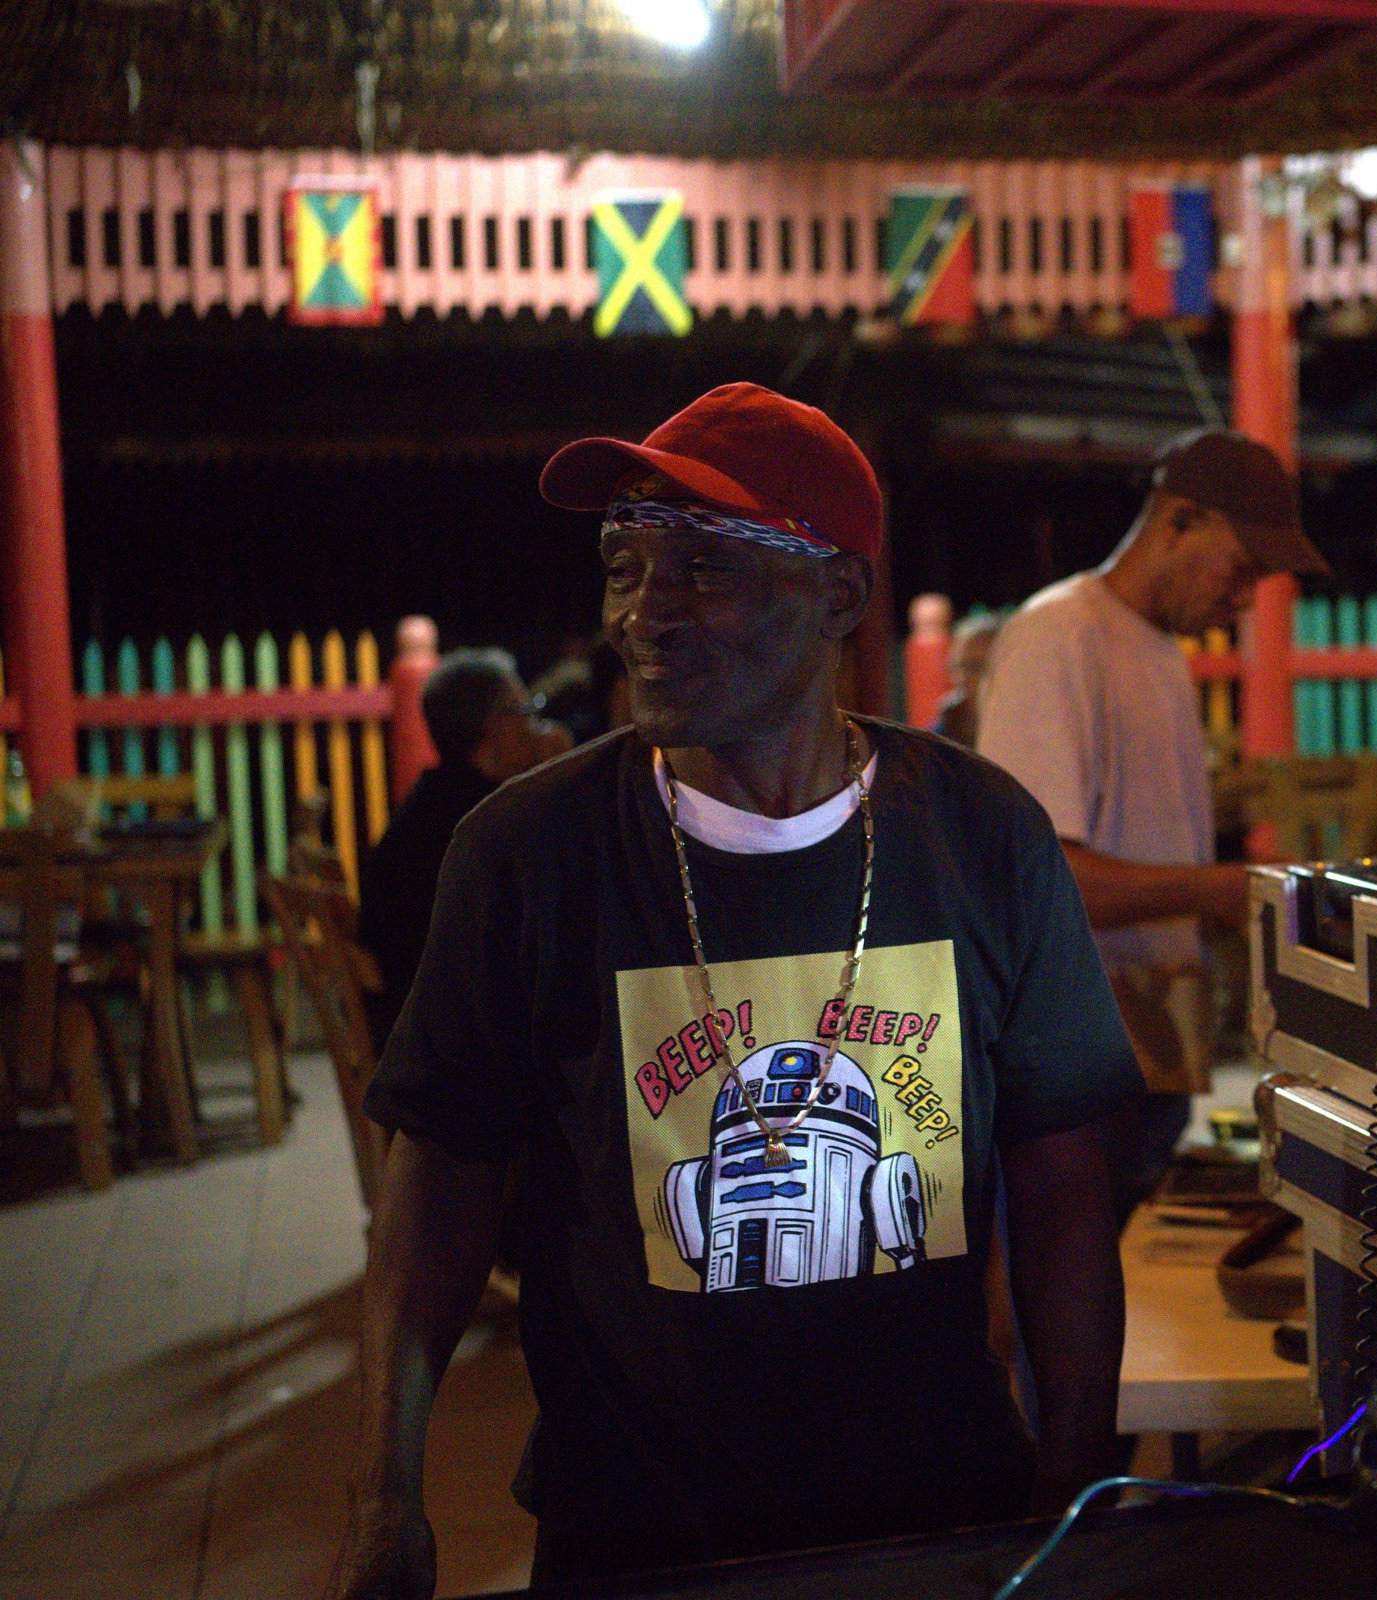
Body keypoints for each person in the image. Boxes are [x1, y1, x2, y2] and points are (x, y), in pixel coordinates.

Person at [327, 383, 1140, 1597]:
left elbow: (1064, 1178)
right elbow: (440, 1174)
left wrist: (1072, 1483)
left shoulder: (982, 835)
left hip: (936, 1518)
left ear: (840, 596)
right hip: (634, 1533)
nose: (643, 613)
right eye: (623, 563)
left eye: (703, 565)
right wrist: (386, 1496)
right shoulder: (529, 853)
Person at [976, 429, 1328, 1223]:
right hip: (1076, 1059)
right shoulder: (1058, 633)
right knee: (1060, 1312)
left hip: (1151, 1052)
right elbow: (1041, 878)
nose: (1243, 602)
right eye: (1241, 570)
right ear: (1180, 519)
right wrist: (1219, 890)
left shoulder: (1159, 652)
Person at [354, 650, 564, 1051]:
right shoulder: (484, 822)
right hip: (457, 1050)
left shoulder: (433, 802)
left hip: (415, 1030)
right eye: (523, 709)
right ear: (493, 726)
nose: (534, 726)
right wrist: (561, 781)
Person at [929, 612, 999, 747]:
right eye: (956, 667)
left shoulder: (1018, 719)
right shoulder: (952, 718)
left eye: (975, 667)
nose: (962, 678)